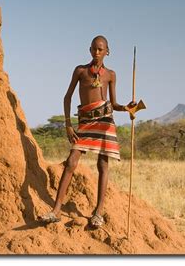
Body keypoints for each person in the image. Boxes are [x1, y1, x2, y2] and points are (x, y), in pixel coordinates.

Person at [38, 35, 136, 228]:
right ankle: (56, 210)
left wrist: (127, 108)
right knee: (71, 162)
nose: (97, 52)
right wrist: (68, 124)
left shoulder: (110, 74)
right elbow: (67, 98)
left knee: (103, 164)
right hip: (85, 122)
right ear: (89, 50)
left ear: (107, 51)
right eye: (94, 49)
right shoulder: (80, 71)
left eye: (101, 49)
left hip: (105, 120)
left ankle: (98, 213)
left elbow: (114, 103)